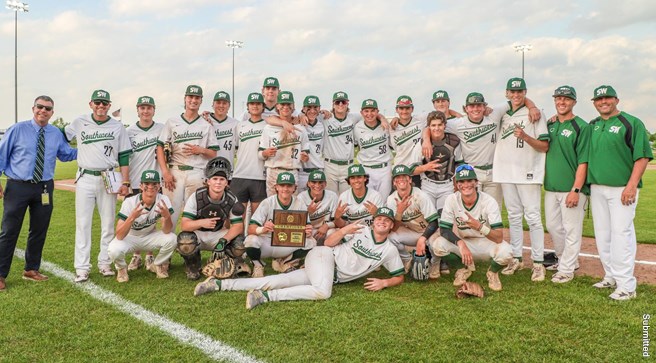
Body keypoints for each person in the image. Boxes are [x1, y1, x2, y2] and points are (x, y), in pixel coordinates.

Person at [194, 207, 405, 310]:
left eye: (386, 220)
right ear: (374, 221)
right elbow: (329, 243)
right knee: (322, 292)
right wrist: (344, 230)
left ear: (391, 225)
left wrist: (385, 282)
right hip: (325, 256)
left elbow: (399, 276)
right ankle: (265, 298)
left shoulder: (389, 250)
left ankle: (219, 285)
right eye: (379, 219)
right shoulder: (360, 230)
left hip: (326, 272)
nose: (382, 222)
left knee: (275, 281)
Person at [0, 96, 77, 291]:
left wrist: (90, 149)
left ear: (53, 112)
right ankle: (0, 274)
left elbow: (66, 154)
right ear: (33, 108)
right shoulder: (18, 129)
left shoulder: (55, 133)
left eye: (48, 108)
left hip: (44, 187)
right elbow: (2, 154)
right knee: (9, 231)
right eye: (40, 107)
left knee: (39, 229)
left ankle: (31, 269)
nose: (43, 110)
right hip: (18, 186)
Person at [587, 85, 652, 301]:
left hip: (622, 189)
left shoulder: (631, 122)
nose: (603, 101)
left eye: (607, 98)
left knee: (621, 234)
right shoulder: (593, 125)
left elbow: (642, 156)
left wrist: (632, 185)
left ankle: (627, 285)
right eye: (599, 99)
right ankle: (611, 276)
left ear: (616, 99)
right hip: (597, 187)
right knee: (603, 233)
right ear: (594, 103)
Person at [65, 90, 132, 282]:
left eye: (104, 103)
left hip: (109, 176)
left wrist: (125, 181)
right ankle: (82, 267)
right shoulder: (79, 122)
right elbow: (63, 137)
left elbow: (124, 156)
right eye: (97, 102)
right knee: (83, 223)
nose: (101, 106)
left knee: (108, 222)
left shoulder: (118, 126)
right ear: (90, 104)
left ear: (109, 105)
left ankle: (105, 263)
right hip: (85, 176)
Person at [493, 78, 549, 282]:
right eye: (512, 92)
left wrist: (525, 136)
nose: (516, 95)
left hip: (528, 172)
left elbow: (544, 146)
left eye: (520, 92)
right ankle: (516, 258)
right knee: (514, 217)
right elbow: (479, 110)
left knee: (533, 217)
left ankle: (538, 263)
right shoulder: (502, 112)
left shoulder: (536, 113)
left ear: (525, 92)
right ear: (507, 93)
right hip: (506, 172)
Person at [429, 164, 513, 291]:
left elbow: (499, 237)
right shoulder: (452, 199)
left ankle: (492, 273)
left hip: (486, 241)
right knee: (437, 245)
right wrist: (461, 244)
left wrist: (479, 227)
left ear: (476, 183)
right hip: (465, 241)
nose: (466, 184)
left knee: (506, 252)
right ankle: (463, 269)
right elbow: (444, 230)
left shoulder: (489, 201)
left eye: (469, 180)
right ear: (457, 185)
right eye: (461, 181)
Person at [544, 86, 589, 283]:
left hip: (572, 189)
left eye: (566, 99)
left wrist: (576, 190)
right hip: (551, 188)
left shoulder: (581, 126)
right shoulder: (550, 124)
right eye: (558, 98)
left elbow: (584, 162)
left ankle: (567, 269)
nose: (562, 102)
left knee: (572, 229)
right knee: (553, 226)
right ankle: (565, 259)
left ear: (574, 102)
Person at [156, 85, 219, 226]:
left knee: (194, 214)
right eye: (191, 97)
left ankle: (190, 246)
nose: (193, 100)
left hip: (197, 172)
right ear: (185, 99)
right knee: (169, 214)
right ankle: (168, 246)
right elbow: (159, 147)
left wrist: (201, 150)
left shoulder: (206, 125)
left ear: (201, 101)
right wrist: (165, 171)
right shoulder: (172, 122)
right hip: (175, 171)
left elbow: (213, 153)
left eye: (197, 98)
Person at [178, 157, 246, 280]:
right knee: (185, 241)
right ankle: (193, 265)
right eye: (214, 179)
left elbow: (238, 226)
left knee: (239, 244)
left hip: (218, 235)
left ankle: (226, 262)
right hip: (198, 234)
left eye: (222, 179)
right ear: (208, 181)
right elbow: (184, 225)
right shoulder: (197, 196)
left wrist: (223, 240)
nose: (218, 182)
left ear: (227, 183)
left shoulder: (232, 199)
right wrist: (201, 222)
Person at [107, 170, 176, 282]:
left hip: (149, 237)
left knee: (172, 238)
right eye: (147, 184)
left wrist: (167, 217)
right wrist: (132, 217)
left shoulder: (163, 199)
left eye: (154, 184)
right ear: (140, 186)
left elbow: (167, 231)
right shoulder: (130, 202)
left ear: (159, 186)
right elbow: (119, 235)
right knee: (113, 249)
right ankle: (122, 269)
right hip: (130, 238)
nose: (150, 187)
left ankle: (157, 264)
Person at [244, 172, 315, 278]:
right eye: (282, 185)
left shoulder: (299, 203)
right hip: (268, 242)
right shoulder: (267, 202)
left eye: (288, 186)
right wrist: (263, 229)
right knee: (250, 240)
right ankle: (258, 265)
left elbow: (306, 228)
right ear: (276, 187)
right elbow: (251, 229)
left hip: (287, 243)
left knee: (311, 242)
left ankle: (285, 262)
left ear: (294, 188)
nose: (285, 189)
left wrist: (308, 232)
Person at [125, 96, 164, 272]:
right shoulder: (129, 131)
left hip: (155, 182)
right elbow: (124, 157)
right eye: (142, 108)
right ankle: (136, 255)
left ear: (154, 110)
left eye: (149, 108)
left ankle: (149, 255)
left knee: (152, 219)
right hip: (135, 180)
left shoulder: (161, 129)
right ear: (137, 110)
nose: (145, 111)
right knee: (135, 219)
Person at [386, 165, 440, 277]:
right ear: (394, 183)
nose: (401, 180)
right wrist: (399, 213)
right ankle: (407, 259)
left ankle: (435, 263)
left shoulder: (420, 195)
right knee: (390, 237)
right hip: (413, 231)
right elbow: (394, 228)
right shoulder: (391, 199)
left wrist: (422, 238)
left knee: (436, 244)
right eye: (397, 178)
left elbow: (434, 222)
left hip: (431, 231)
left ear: (410, 179)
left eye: (404, 177)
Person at [260, 91, 310, 196]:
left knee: (292, 206)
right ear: (277, 106)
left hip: (292, 170)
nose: (285, 107)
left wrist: (304, 156)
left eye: (288, 104)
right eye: (282, 104)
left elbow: (305, 152)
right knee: (272, 205)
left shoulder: (300, 128)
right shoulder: (268, 128)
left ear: (293, 106)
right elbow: (260, 154)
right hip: (274, 170)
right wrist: (265, 153)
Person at [413, 110, 462, 214]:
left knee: (444, 216)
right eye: (433, 125)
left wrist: (457, 186)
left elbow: (459, 164)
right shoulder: (421, 143)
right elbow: (411, 170)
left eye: (440, 125)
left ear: (445, 125)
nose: (436, 128)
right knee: (429, 218)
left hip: (447, 185)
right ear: (428, 127)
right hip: (428, 185)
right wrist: (425, 167)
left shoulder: (454, 141)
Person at [230, 93, 268, 218]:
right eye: (252, 103)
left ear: (263, 107)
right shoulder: (240, 125)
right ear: (248, 106)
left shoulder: (268, 126)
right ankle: (238, 238)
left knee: (257, 217)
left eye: (258, 103)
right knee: (236, 215)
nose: (255, 106)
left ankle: (252, 238)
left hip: (260, 177)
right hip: (240, 174)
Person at [354, 99, 392, 199]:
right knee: (368, 202)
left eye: (372, 111)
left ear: (377, 112)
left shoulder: (385, 126)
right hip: (366, 169)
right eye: (366, 111)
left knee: (384, 201)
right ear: (361, 113)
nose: (369, 114)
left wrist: (383, 119)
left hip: (384, 169)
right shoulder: (357, 128)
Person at [389, 96, 424, 187]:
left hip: (417, 169)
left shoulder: (421, 120)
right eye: (401, 108)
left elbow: (440, 113)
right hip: (399, 169)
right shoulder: (391, 128)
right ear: (396, 110)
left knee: (417, 199)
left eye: (407, 108)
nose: (404, 111)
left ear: (412, 109)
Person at [297, 170, 338, 245]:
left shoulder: (332, 196)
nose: (317, 185)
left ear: (325, 184)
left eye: (320, 182)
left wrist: (327, 226)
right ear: (308, 183)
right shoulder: (301, 197)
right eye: (314, 182)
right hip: (309, 230)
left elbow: (336, 220)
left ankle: (331, 253)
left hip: (325, 229)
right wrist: (308, 212)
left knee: (333, 232)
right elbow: (297, 222)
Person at [297, 95, 325, 192]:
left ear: (319, 108)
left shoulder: (322, 124)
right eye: (309, 108)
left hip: (318, 169)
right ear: (303, 109)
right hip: (302, 171)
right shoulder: (298, 123)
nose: (312, 111)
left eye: (315, 108)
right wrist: (300, 116)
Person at [208, 91, 239, 170]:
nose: (221, 105)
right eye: (218, 102)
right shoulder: (205, 121)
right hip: (208, 169)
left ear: (229, 106)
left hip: (227, 169)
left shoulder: (235, 124)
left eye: (224, 103)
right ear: (213, 104)